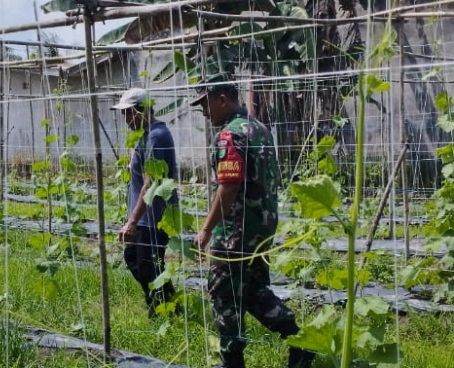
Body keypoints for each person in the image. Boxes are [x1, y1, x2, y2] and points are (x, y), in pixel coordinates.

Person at [190, 73, 314, 368]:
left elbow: (229, 186)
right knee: (254, 289)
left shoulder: (230, 134)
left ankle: (232, 362)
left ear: (222, 100)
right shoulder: (259, 129)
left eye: (205, 104)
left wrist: (206, 229)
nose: (204, 111)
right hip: (262, 225)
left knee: (224, 290)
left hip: (236, 230)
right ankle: (299, 341)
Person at [111, 87, 177, 318]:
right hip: (146, 217)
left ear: (142, 110)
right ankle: (169, 304)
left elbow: (149, 184)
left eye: (129, 113)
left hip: (155, 217)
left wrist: (132, 221)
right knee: (136, 259)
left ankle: (160, 311)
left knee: (148, 265)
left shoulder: (156, 136)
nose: (126, 119)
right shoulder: (147, 135)